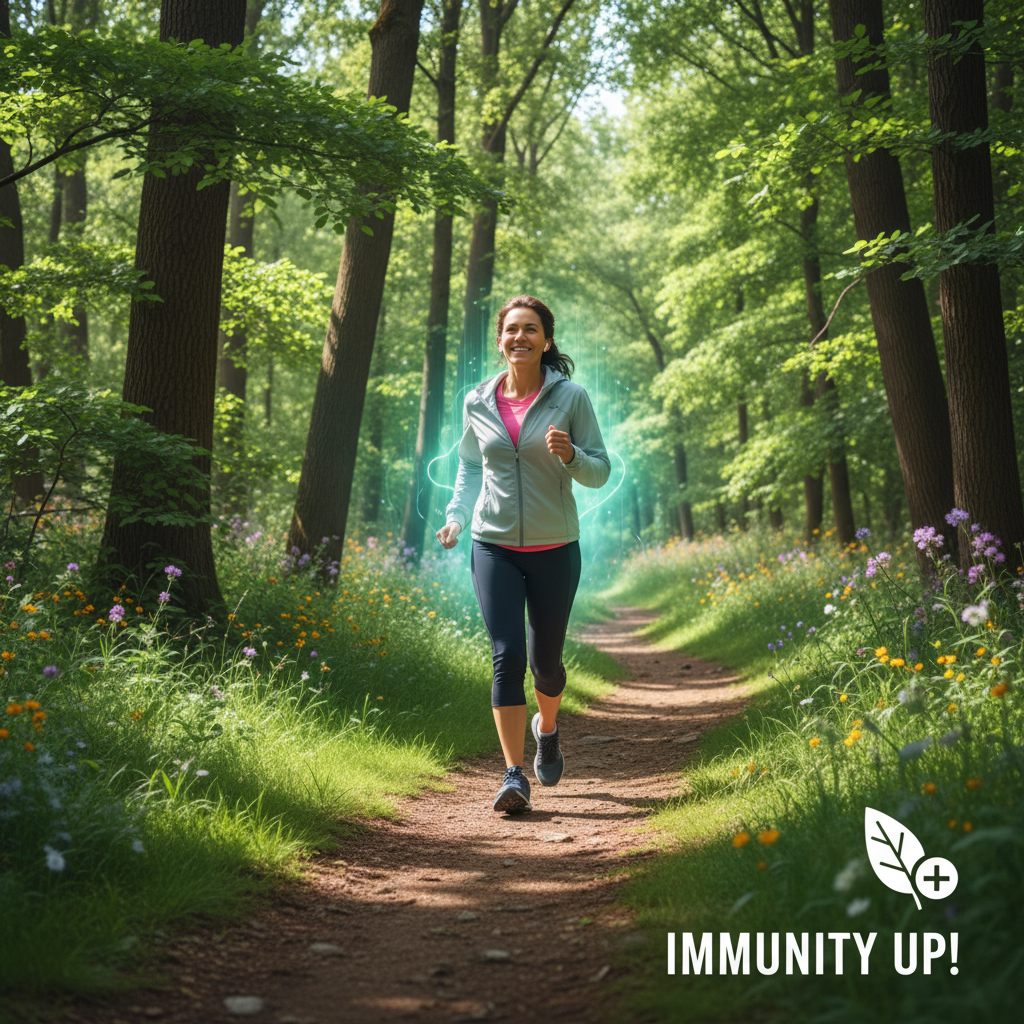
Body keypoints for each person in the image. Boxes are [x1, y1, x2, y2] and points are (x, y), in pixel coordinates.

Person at [436, 295, 610, 814]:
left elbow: (599, 470)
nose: (520, 338)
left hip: (556, 547)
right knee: (506, 655)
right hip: (492, 545)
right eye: (511, 330)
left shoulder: (571, 398)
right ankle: (513, 775)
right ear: (500, 340)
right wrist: (455, 517)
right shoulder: (476, 400)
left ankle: (548, 730)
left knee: (546, 664)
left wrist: (572, 456)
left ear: (546, 340)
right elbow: (470, 466)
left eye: (530, 330)